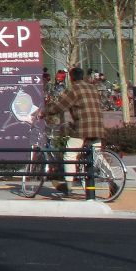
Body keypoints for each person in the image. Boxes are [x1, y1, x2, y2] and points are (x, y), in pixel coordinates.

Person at [41, 65, 108, 196]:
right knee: (97, 156)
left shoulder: (73, 89)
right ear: (82, 76)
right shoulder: (92, 88)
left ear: (71, 78)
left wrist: (43, 113)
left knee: (70, 154)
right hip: (98, 126)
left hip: (82, 128)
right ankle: (112, 181)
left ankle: (69, 186)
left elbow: (59, 107)